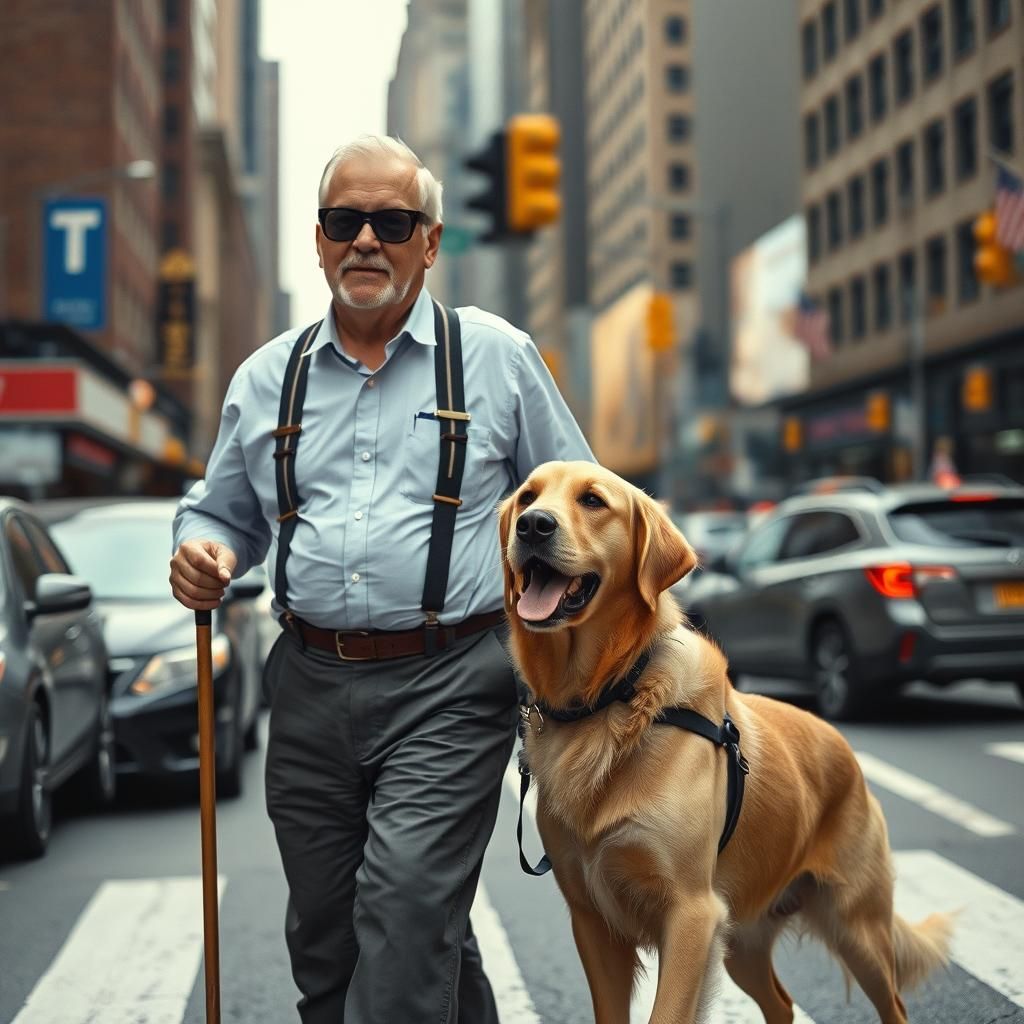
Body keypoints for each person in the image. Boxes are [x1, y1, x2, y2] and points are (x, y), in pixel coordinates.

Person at [169, 134, 593, 1024]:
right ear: (319, 241)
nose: (365, 239)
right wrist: (206, 551)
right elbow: (221, 514)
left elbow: (582, 507)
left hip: (452, 682)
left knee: (402, 917)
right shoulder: (265, 378)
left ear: (429, 243)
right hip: (308, 685)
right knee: (331, 940)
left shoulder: (497, 357)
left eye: (392, 223)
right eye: (344, 221)